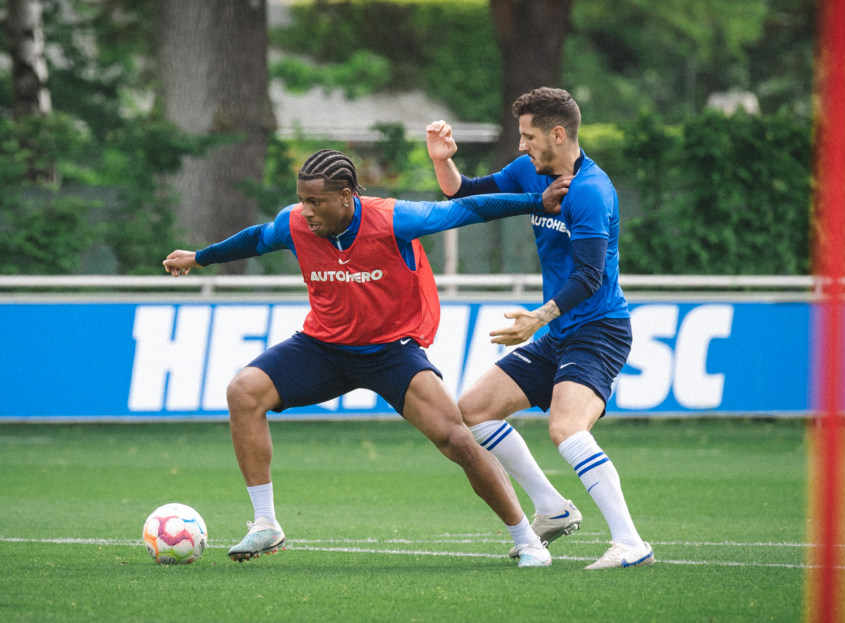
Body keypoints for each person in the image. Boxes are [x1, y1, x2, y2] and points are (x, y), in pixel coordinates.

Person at [163, 149, 571, 568]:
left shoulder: (394, 218)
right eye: (302, 200)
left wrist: (534, 202)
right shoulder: (295, 223)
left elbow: (469, 208)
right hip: (323, 347)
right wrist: (200, 257)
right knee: (243, 392)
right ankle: (265, 522)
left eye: (315, 202)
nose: (305, 212)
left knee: (458, 440)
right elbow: (257, 237)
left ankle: (528, 541)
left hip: (391, 351)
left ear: (345, 196)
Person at [425, 87, 655, 570]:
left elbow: (589, 278)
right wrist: (443, 161)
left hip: (599, 329)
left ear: (558, 133)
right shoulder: (529, 171)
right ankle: (552, 507)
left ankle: (631, 542)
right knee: (475, 410)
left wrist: (539, 317)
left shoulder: (591, 191)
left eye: (529, 135)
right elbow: (463, 193)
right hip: (559, 330)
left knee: (566, 428)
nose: (522, 144)